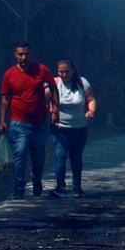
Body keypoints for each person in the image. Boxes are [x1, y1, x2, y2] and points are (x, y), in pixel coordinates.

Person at [0, 41, 58, 199]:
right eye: (20, 54)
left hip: (39, 123)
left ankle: (36, 180)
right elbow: (5, 98)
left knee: (38, 156)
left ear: (30, 54)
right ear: (15, 55)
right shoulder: (9, 74)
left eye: (26, 54)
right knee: (20, 154)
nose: (24, 57)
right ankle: (19, 188)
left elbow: (53, 88)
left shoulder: (41, 70)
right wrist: (2, 120)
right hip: (19, 122)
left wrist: (55, 110)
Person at [50, 57, 97, 198]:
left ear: (73, 71)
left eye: (66, 72)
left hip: (79, 128)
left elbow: (91, 99)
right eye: (61, 72)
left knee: (76, 157)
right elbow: (44, 99)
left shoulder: (82, 82)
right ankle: (60, 186)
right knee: (60, 155)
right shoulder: (54, 83)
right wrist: (52, 112)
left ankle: (77, 186)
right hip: (60, 128)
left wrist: (91, 110)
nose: (64, 75)